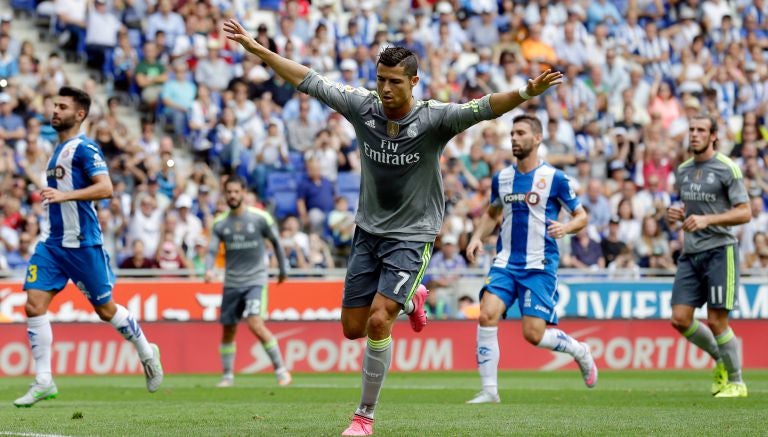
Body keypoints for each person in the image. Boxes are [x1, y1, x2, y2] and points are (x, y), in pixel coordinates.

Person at [223, 18, 562, 436]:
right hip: (368, 231)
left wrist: (528, 92)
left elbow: (486, 105)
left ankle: (364, 417)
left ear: (414, 82)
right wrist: (258, 49)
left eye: (395, 82)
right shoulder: (361, 106)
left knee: (379, 322)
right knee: (353, 329)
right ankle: (412, 296)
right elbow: (307, 79)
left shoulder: (435, 119)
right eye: (381, 79)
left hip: (414, 234)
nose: (385, 89)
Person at [14, 86, 163, 408]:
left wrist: (65, 195)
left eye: (62, 106)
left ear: (79, 114)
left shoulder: (84, 148)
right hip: (52, 243)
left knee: (105, 310)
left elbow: (106, 188)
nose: (55, 110)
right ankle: (43, 380)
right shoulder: (56, 152)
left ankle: (146, 351)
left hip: (83, 244)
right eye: (54, 105)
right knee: (33, 305)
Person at [465, 115, 597, 404]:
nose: (514, 138)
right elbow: (492, 213)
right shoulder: (502, 178)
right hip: (506, 261)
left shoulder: (556, 179)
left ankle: (578, 349)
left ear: (537, 139)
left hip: (540, 264)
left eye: (521, 133)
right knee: (487, 313)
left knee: (533, 334)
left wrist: (567, 227)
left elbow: (581, 216)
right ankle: (489, 391)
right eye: (512, 133)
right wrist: (477, 237)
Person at [666, 114, 752, 398]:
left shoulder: (728, 169)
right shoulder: (684, 169)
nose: (694, 134)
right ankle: (722, 359)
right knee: (679, 319)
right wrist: (675, 215)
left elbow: (745, 212)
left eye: (701, 130)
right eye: (691, 129)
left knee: (717, 321)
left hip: (719, 251)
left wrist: (707, 221)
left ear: (713, 135)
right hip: (691, 253)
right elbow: (690, 212)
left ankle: (737, 382)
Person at [205, 176, 291, 388]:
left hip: (255, 281)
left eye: (236, 191)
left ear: (243, 193)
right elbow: (212, 250)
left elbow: (276, 243)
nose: (233, 195)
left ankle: (281, 371)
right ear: (225, 194)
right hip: (232, 283)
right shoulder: (220, 222)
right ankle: (227, 376)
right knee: (228, 329)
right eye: (229, 192)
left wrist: (283, 268)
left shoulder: (260, 218)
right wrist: (208, 270)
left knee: (255, 323)